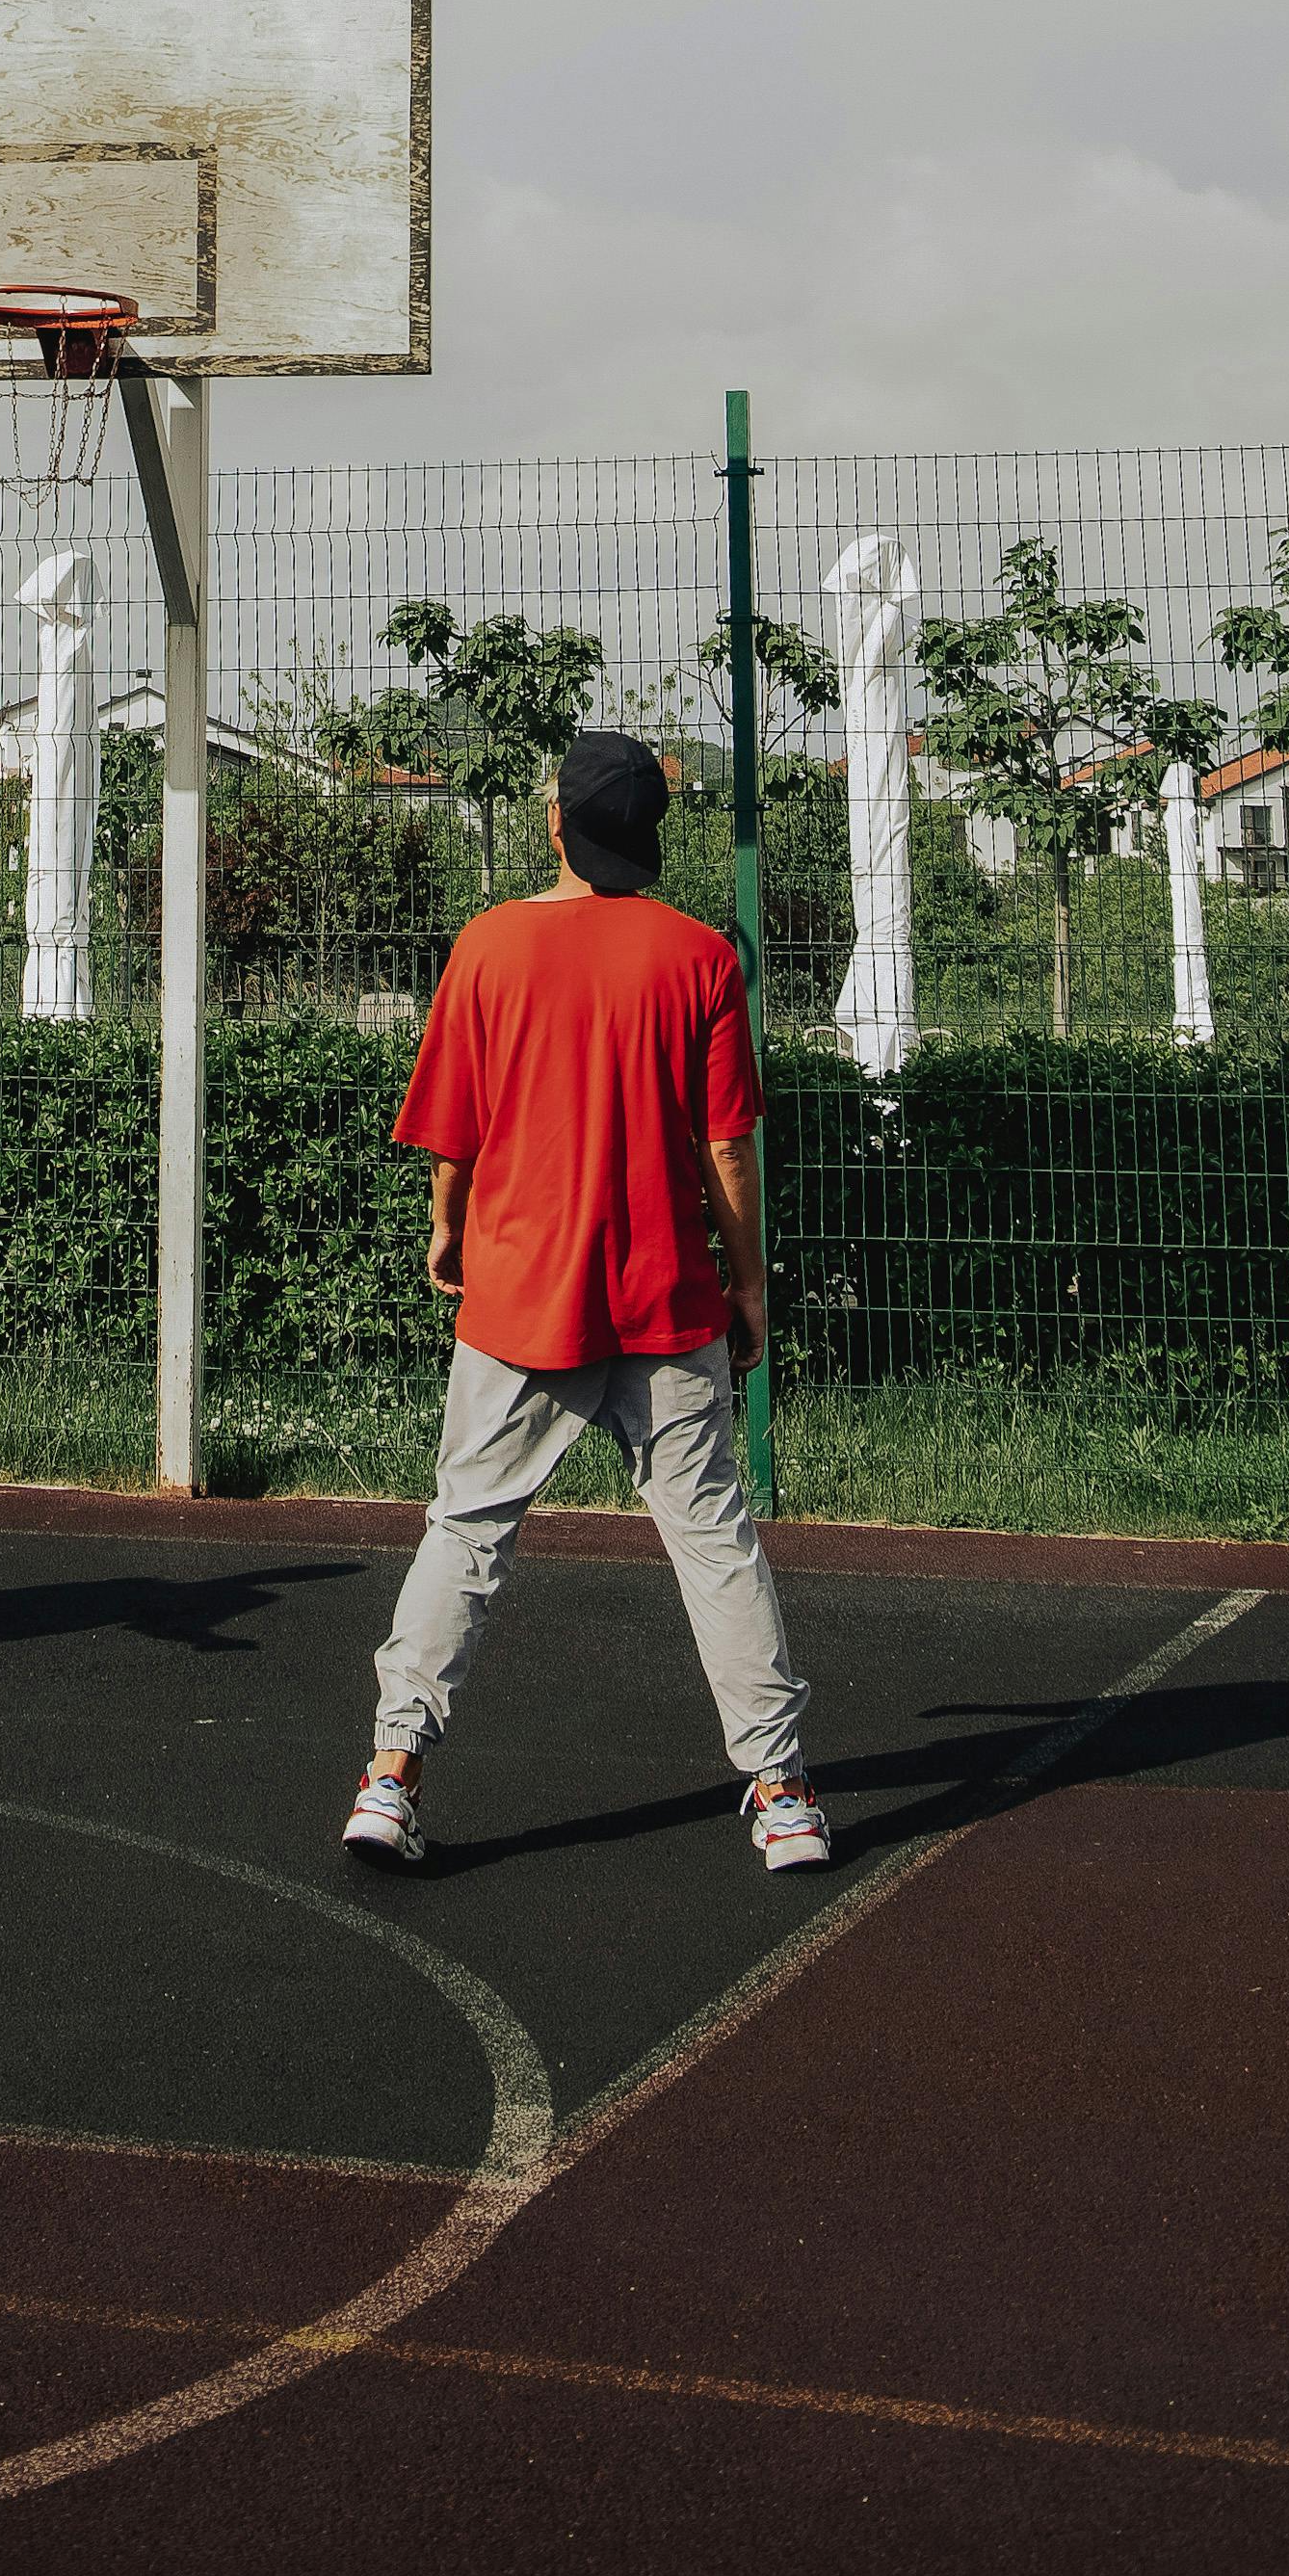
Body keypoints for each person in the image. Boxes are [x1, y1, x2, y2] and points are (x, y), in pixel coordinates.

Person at [342, 726, 829, 1875]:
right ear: (651, 835)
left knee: (467, 1528)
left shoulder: (490, 944)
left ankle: (389, 1775)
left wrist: (445, 1227)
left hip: (521, 1296)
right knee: (714, 1542)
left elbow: (451, 1135)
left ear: (555, 821)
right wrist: (750, 1282)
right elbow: (729, 1147)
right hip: (666, 1296)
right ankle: (783, 1791)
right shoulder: (702, 956)